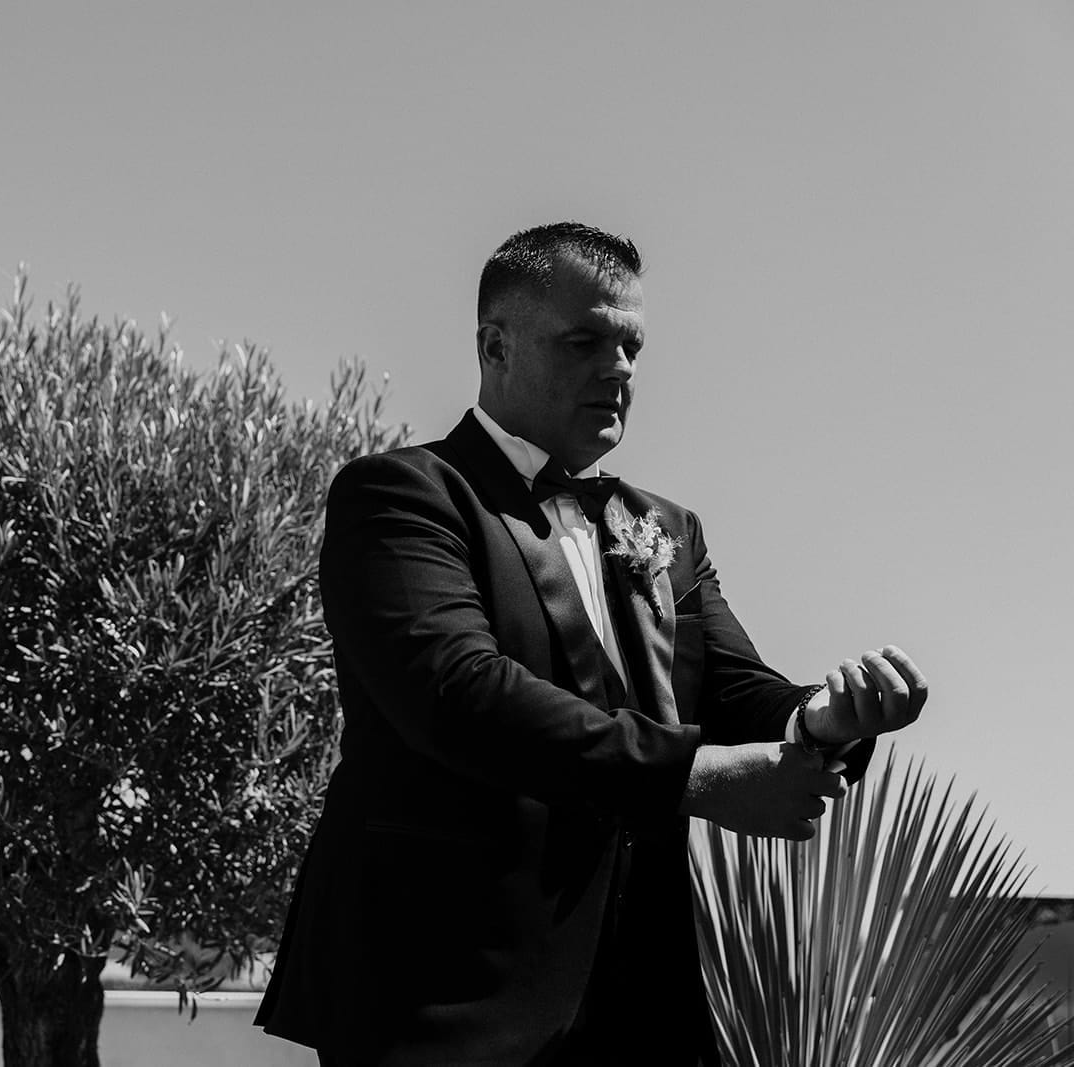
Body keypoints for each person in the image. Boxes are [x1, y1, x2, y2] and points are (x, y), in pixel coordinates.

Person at [253, 222, 927, 1066]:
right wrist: (696, 777)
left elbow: (737, 690)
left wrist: (822, 720)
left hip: (641, 1007)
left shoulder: (666, 528)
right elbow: (459, 695)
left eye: (632, 347)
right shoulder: (401, 496)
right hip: (442, 1000)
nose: (619, 369)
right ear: (494, 346)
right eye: (586, 342)